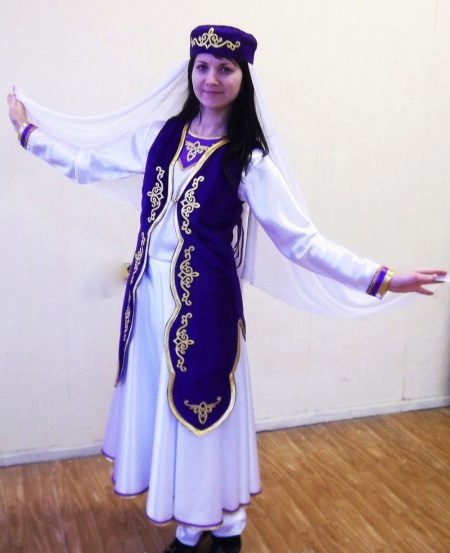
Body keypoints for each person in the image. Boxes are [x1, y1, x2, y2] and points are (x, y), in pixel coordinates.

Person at [7, 24, 446, 553]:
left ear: (243, 77)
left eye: (225, 68)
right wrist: (29, 134)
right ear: (190, 71)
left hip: (207, 306)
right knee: (166, 409)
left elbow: (302, 242)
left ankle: (226, 526)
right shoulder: (158, 138)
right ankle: (190, 524)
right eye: (202, 66)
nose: (211, 78)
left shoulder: (248, 162)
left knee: (205, 408)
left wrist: (382, 278)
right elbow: (86, 165)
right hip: (149, 299)